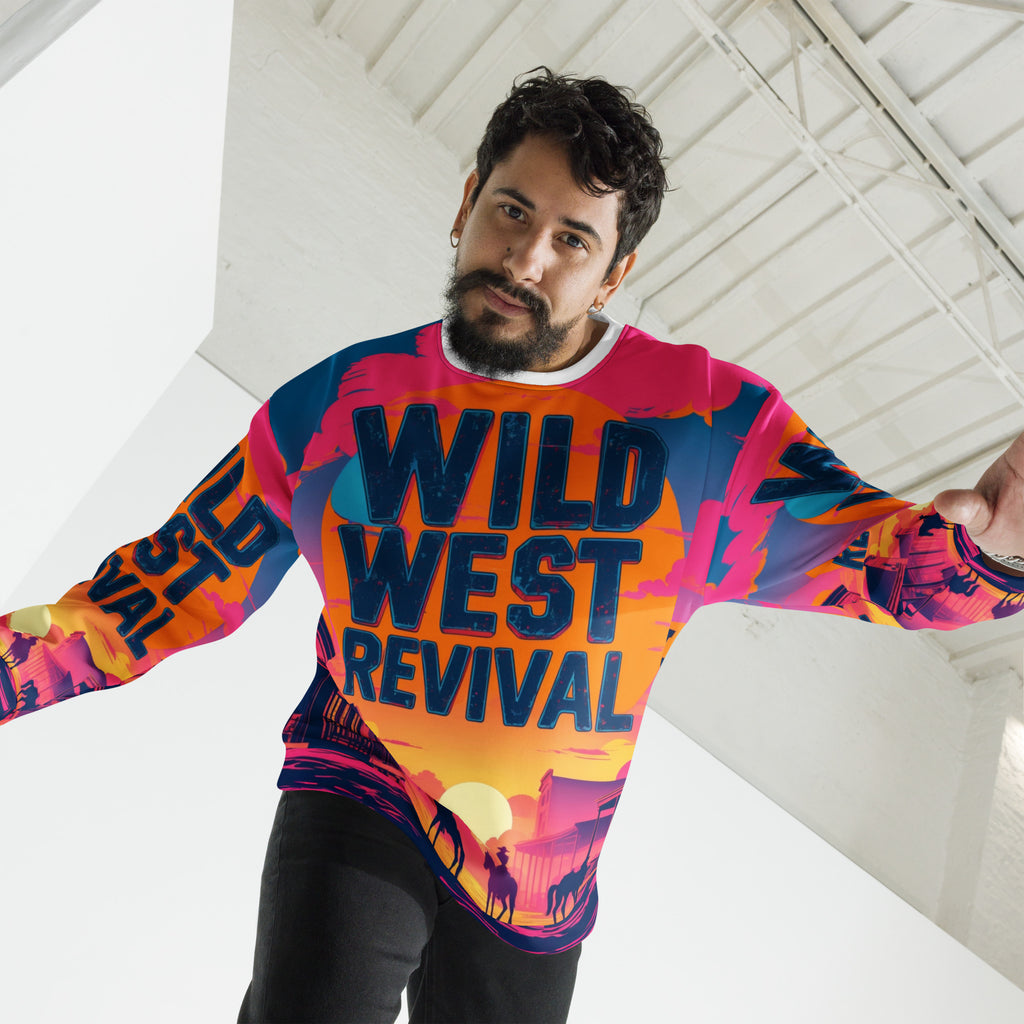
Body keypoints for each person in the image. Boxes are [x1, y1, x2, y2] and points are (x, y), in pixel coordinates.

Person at [3, 67, 1024, 1024]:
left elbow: (886, 567)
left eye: (573, 241)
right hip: (363, 779)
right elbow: (155, 595)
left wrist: (998, 552)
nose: (527, 260)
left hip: (542, 875)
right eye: (511, 212)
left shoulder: (707, 429)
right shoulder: (332, 411)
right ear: (464, 206)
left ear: (615, 272)